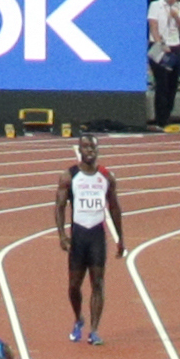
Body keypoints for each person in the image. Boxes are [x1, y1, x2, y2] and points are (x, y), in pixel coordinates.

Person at [55, 138, 125, 344]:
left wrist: (121, 238)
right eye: (86, 147)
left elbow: (114, 208)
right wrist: (61, 235)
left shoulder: (106, 177)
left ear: (98, 150)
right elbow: (59, 206)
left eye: (93, 147)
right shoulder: (69, 176)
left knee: (98, 283)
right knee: (74, 286)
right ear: (79, 150)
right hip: (78, 238)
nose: (90, 151)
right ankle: (78, 318)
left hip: (96, 237)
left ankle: (94, 331)